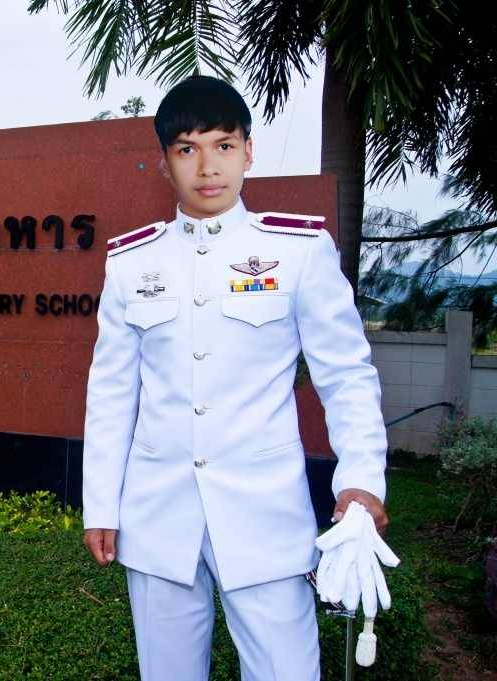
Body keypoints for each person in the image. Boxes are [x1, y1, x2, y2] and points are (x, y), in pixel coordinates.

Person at [80, 75, 389, 681]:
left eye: (223, 145)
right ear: (165, 162)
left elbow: (347, 375)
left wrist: (361, 480)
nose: (207, 167)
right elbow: (112, 392)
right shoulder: (132, 262)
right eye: (187, 149)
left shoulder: (298, 251)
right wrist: (102, 505)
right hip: (158, 518)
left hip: (264, 516)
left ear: (248, 151)